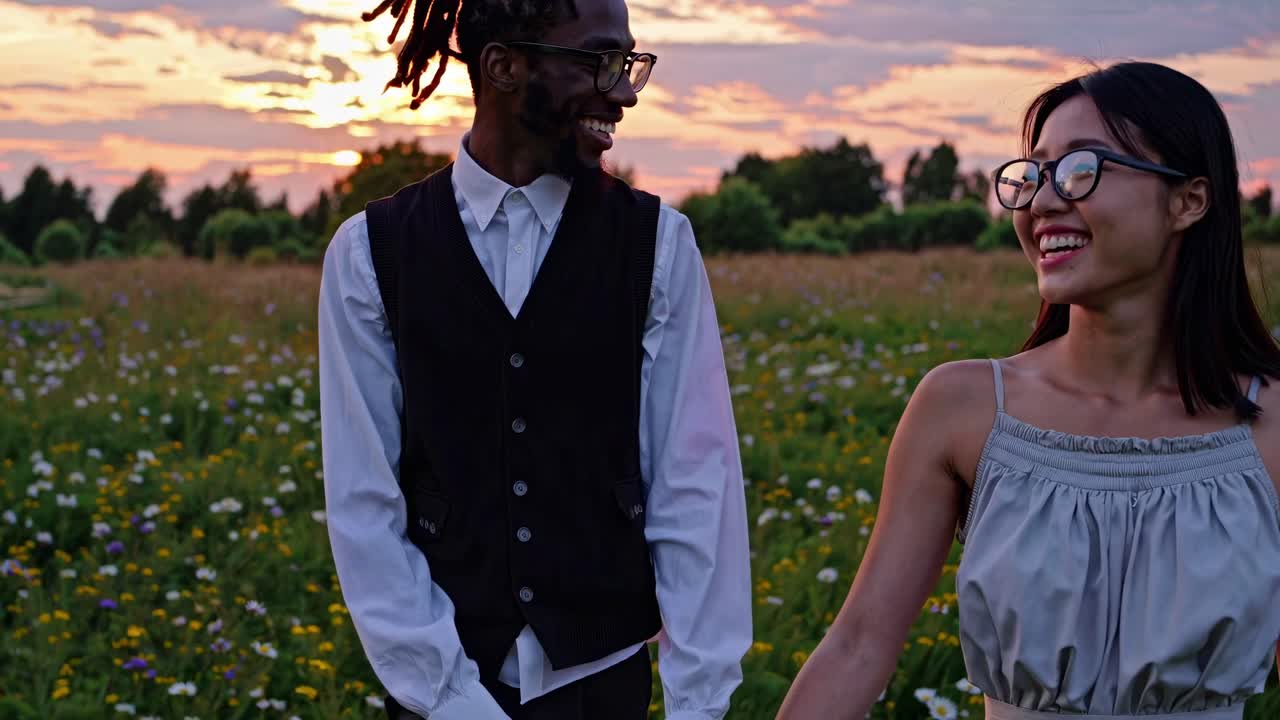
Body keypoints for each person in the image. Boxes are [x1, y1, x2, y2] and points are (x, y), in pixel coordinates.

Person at [776, 61, 1280, 720]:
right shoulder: (963, 408)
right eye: (1033, 175)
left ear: (1188, 200)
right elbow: (858, 647)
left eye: (1081, 170)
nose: (1041, 202)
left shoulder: (1269, 426)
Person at [316, 1, 752, 719]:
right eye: (601, 62)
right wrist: (451, 699)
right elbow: (365, 506)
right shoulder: (369, 255)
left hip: (604, 685)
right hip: (441, 692)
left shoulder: (658, 245)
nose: (626, 91)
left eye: (630, 64)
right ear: (503, 66)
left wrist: (698, 703)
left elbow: (694, 489)